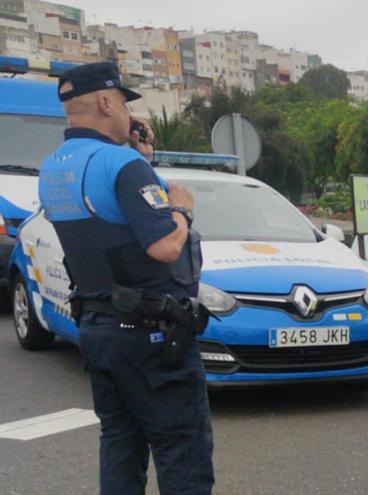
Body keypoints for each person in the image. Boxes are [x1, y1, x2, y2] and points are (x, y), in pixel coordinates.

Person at [38, 62, 214, 494]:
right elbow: (165, 247)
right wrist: (181, 209)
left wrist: (141, 159)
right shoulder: (120, 165)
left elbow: (107, 227)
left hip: (99, 328)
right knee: (182, 453)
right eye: (121, 103)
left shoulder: (51, 168)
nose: (127, 114)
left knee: (120, 444)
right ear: (104, 102)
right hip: (151, 334)